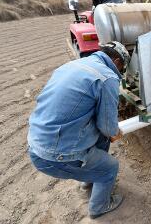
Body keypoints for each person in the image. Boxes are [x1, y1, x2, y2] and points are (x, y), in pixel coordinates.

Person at [27, 42, 130, 219]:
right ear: (116, 60)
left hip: (37, 143)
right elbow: (107, 127)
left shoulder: (73, 65)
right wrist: (115, 131)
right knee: (110, 168)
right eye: (122, 67)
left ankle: (87, 180)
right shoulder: (107, 77)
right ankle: (99, 207)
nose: (119, 72)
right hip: (54, 156)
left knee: (102, 140)